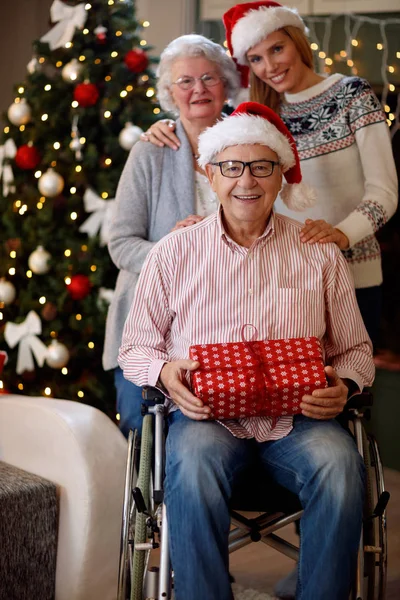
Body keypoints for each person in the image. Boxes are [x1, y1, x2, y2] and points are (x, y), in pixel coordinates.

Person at [119, 102, 375, 600]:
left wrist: (344, 385)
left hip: (301, 419)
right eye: (231, 167)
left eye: (262, 166)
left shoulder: (318, 251)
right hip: (206, 418)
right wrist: (165, 371)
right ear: (209, 176)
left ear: (281, 177)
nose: (247, 181)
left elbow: (356, 349)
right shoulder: (173, 252)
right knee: (190, 465)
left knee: (341, 467)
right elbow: (135, 347)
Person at [142, 1, 398, 348]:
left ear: (298, 42)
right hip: (281, 282)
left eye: (277, 48)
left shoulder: (352, 95)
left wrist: (340, 235)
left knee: (343, 388)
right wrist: (162, 126)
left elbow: (384, 192)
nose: (270, 66)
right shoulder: (255, 113)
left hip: (353, 273)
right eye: (256, 59)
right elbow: (199, 125)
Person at [102, 34, 240, 436]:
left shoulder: (248, 145)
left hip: (228, 320)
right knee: (141, 426)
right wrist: (173, 250)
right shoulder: (151, 151)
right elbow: (122, 243)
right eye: (185, 81)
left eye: (209, 78)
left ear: (226, 84)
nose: (198, 89)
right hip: (153, 323)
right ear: (169, 92)